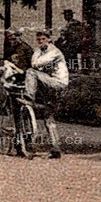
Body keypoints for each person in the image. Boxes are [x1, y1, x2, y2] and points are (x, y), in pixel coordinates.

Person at [24, 29, 68, 158]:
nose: (40, 42)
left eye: (43, 39)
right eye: (38, 40)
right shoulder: (40, 51)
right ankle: (55, 148)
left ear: (49, 39)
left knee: (31, 72)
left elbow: (35, 64)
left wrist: (37, 53)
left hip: (57, 83)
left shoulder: (54, 51)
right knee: (48, 117)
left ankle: (29, 97)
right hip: (50, 83)